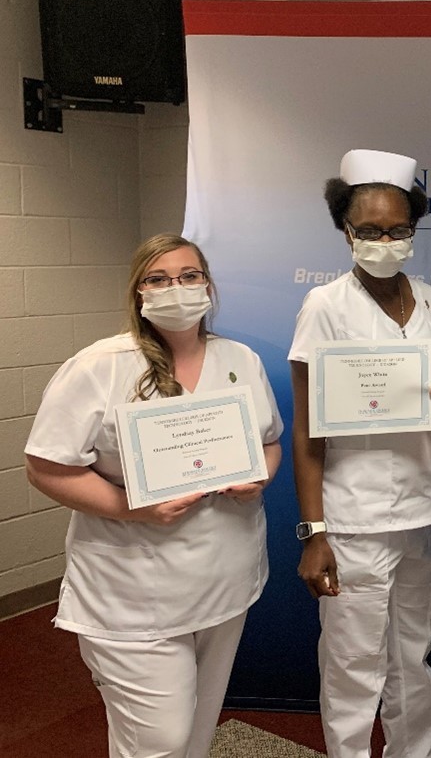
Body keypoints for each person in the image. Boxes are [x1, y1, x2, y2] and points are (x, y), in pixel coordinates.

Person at [24, 233, 283, 758]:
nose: (177, 288)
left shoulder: (240, 359)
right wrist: (130, 508)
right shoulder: (101, 366)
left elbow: (270, 441)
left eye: (190, 276)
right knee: (157, 740)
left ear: (208, 285)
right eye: (159, 279)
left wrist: (260, 477)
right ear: (138, 292)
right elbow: (44, 467)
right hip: (133, 591)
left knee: (195, 734)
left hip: (224, 580)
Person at [288, 149, 431, 758]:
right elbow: (309, 431)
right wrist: (314, 531)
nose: (386, 241)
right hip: (352, 519)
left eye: (399, 230)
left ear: (414, 228)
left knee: (413, 657)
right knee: (354, 666)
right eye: (370, 231)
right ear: (346, 231)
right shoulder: (325, 307)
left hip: (416, 513)